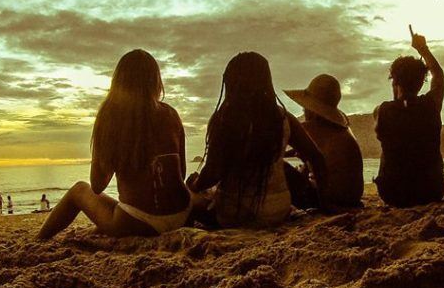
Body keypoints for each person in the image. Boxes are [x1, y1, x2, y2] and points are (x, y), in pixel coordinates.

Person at [38, 49, 191, 240]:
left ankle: (39, 239)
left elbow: (97, 185)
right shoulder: (171, 114)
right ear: (155, 81)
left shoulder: (112, 117)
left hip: (138, 223)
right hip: (182, 215)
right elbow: (181, 174)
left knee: (79, 190)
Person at [189, 52, 328, 228]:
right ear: (266, 81)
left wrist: (194, 185)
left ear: (231, 82)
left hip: (233, 215)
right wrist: (325, 203)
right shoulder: (283, 118)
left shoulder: (223, 120)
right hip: (276, 212)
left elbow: (213, 173)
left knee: (191, 200)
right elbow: (317, 157)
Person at [373, 27, 444, 208]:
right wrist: (423, 49)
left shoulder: (381, 111)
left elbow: (397, 114)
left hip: (393, 194)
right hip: (432, 191)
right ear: (421, 83)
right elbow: (438, 75)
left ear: (394, 81)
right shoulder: (432, 105)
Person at [283, 74, 363, 210]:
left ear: (313, 110)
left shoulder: (310, 128)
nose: (303, 109)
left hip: (331, 198)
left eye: (305, 107)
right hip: (353, 198)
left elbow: (281, 149)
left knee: (280, 167)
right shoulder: (342, 130)